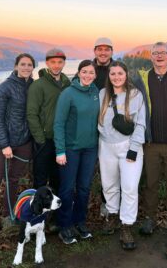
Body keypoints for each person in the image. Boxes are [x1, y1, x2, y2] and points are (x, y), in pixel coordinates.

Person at [136, 42, 167, 241]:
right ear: (151, 57)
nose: (160, 56)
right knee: (151, 183)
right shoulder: (142, 79)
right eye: (155, 53)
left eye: (164, 53)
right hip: (151, 142)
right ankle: (149, 218)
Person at [0, 53, 35, 227]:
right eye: (23, 64)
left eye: (30, 65)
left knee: (13, 180)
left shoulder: (33, 87)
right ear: (16, 66)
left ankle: (8, 215)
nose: (26, 67)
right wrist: (4, 145)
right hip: (1, 144)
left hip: (23, 143)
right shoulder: (4, 87)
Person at [98, 61, 145, 250]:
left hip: (128, 147)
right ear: (108, 76)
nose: (116, 77)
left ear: (126, 74)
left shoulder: (135, 95)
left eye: (120, 73)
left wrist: (134, 147)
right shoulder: (102, 94)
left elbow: (140, 123)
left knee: (129, 187)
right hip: (106, 146)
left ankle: (126, 224)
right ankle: (112, 215)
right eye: (113, 74)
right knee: (109, 185)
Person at [54, 60, 99, 244]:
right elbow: (58, 123)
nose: (88, 75)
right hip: (71, 149)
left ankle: (79, 221)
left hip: (90, 148)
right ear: (79, 73)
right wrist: (60, 150)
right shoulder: (68, 94)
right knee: (67, 188)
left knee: (84, 188)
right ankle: (64, 225)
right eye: (84, 71)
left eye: (91, 72)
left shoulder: (96, 93)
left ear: (95, 75)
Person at [27, 48, 70, 193]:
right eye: (53, 62)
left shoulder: (67, 84)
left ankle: (54, 214)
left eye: (60, 62)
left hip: (61, 141)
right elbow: (31, 114)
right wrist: (40, 139)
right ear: (47, 63)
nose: (56, 65)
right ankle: (37, 214)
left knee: (57, 178)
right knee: (40, 179)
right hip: (44, 141)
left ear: (64, 63)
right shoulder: (38, 85)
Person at [93, 37, 114, 217]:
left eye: (106, 49)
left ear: (111, 52)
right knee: (96, 170)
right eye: (99, 49)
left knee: (112, 169)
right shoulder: (87, 70)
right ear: (95, 52)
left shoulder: (117, 70)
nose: (103, 52)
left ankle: (110, 205)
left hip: (114, 129)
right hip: (91, 127)